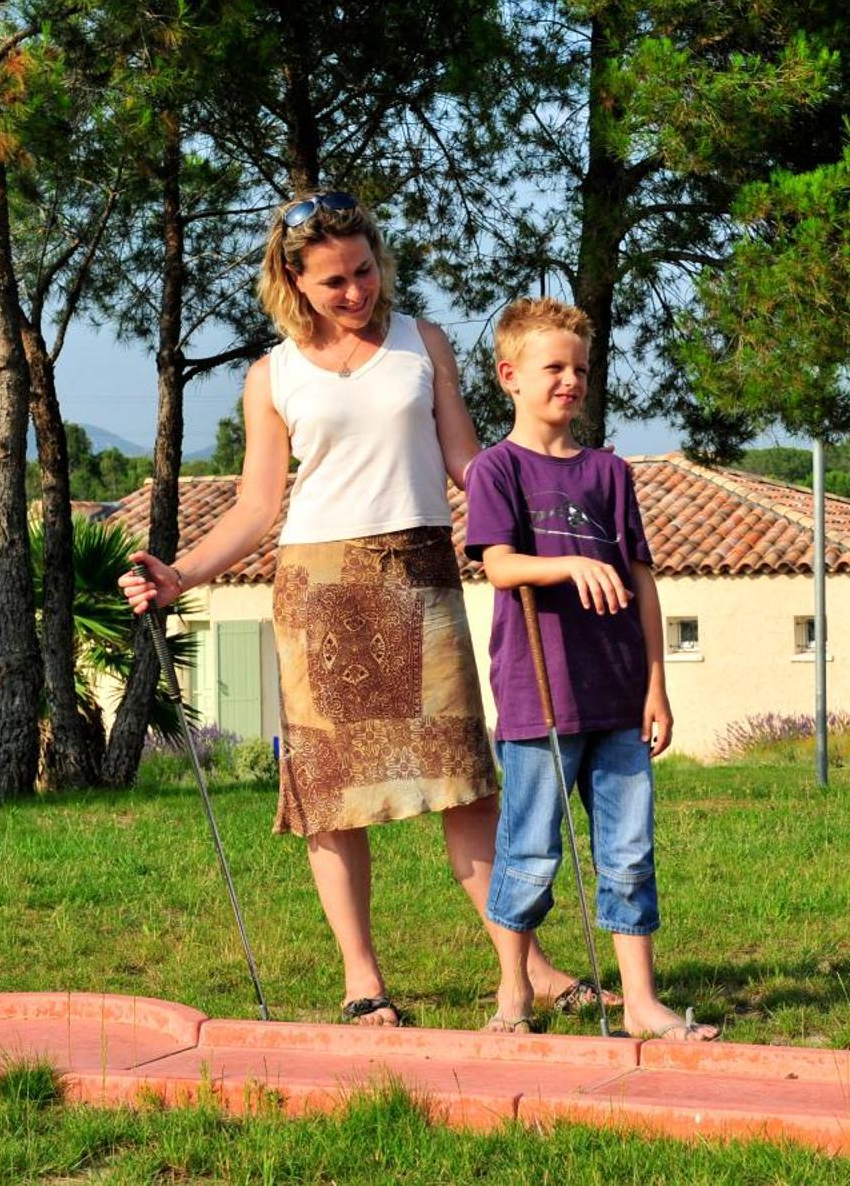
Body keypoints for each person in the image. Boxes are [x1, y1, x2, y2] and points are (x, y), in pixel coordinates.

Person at [119, 193, 592, 1027]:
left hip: (420, 574)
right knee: (331, 798)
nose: (355, 291)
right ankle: (362, 980)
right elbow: (258, 505)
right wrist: (180, 574)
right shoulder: (273, 375)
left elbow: (468, 465)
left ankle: (531, 968)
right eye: (333, 280)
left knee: (465, 786)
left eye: (365, 269)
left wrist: (551, 509)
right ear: (294, 282)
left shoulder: (423, 344)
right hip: (319, 589)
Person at [463, 298, 718, 1041]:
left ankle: (641, 1002)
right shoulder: (496, 469)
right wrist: (571, 562)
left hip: (617, 694)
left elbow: (641, 579)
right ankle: (515, 991)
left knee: (631, 852)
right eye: (554, 367)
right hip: (537, 695)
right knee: (531, 847)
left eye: (579, 367)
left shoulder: (609, 473)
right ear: (510, 376)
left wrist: (657, 685)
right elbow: (500, 565)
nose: (570, 380)